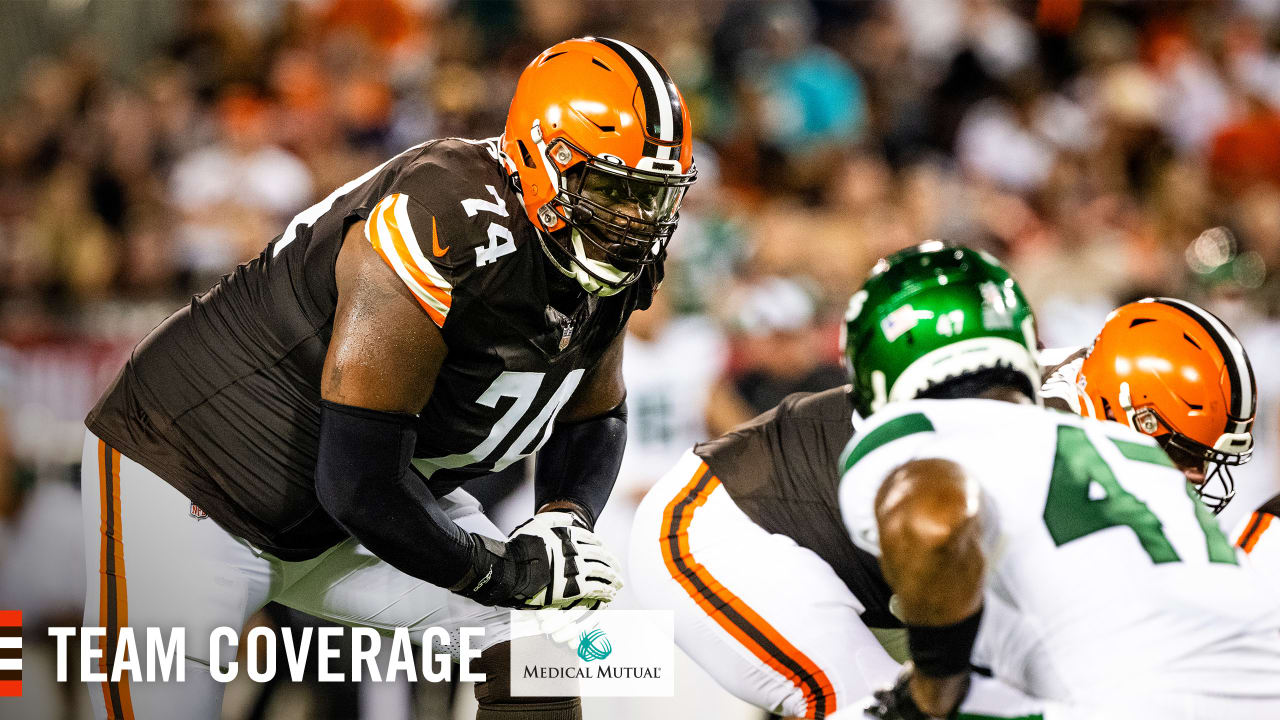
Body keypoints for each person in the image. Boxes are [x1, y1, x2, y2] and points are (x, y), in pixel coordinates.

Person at [80, 36, 695, 720]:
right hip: (196, 476)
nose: (636, 220)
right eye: (614, 189)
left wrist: (562, 517)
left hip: (366, 500)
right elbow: (357, 480)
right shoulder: (443, 218)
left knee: (537, 648)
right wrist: (498, 571)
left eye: (653, 195)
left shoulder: (606, 259)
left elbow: (594, 413)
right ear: (542, 157)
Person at [837, 243, 1280, 719]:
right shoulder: (1136, 462)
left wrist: (932, 692)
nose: (1196, 472)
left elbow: (933, 521)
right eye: (1186, 453)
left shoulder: (932, 435)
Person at [630, 245, 1044, 719]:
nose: (787, 345)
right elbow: (938, 534)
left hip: (836, 553)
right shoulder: (726, 378)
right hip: (722, 527)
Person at [1040, 297, 1257, 515]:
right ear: (1113, 411)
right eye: (1185, 455)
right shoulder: (1035, 445)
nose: (1199, 478)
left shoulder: (1093, 383)